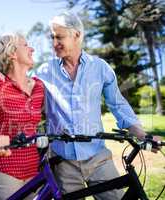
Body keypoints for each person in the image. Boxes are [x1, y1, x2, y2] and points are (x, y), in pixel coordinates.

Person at [34, 11, 161, 199]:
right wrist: (0, 77)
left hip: (98, 158)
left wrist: (142, 134)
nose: (54, 43)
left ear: (76, 35)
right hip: (63, 162)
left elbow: (118, 105)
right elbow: (25, 96)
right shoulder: (45, 71)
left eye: (59, 37)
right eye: (52, 37)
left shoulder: (100, 67)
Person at [0, 32, 45, 200]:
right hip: (5, 168)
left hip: (34, 169)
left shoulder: (39, 87)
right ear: (12, 53)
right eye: (26, 45)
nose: (32, 49)